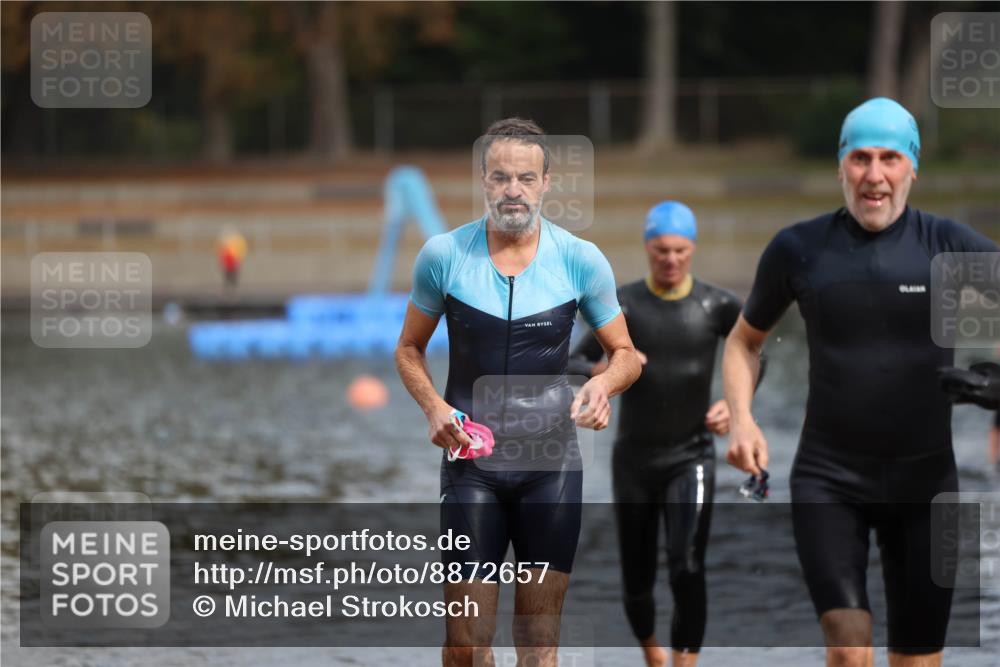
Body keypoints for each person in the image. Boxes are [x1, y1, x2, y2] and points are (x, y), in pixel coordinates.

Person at [722, 97, 999, 667]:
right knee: (850, 651)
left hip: (927, 486)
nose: (875, 176)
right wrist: (744, 419)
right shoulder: (799, 248)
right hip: (830, 480)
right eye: (861, 158)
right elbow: (743, 342)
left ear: (913, 167)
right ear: (841, 165)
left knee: (917, 660)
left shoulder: (947, 245)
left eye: (891, 159)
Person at [395, 117, 642, 667]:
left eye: (525, 178)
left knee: (538, 645)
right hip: (470, 465)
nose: (513, 190)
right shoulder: (444, 256)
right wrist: (434, 407)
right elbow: (408, 349)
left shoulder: (580, 259)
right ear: (484, 181)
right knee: (466, 645)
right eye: (501, 177)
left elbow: (626, 354)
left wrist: (602, 385)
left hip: (549, 468)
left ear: (546, 183)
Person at [568, 201, 752, 667]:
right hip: (634, 461)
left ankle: (684, 664)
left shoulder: (717, 305)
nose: (671, 260)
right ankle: (654, 657)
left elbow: (753, 354)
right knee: (637, 578)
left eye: (680, 251)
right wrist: (603, 368)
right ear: (648, 249)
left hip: (691, 455)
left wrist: (734, 404)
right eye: (661, 251)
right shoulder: (623, 305)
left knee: (687, 563)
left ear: (693, 249)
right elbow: (570, 362)